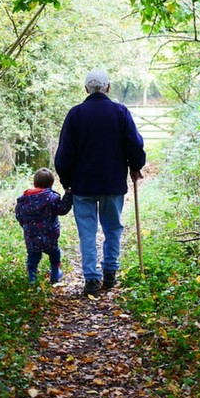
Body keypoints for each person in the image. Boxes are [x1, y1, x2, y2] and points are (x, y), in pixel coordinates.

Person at [54, 69, 146, 296]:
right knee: (113, 228)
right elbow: (134, 145)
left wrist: (67, 183)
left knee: (87, 232)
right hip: (112, 183)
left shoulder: (75, 115)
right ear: (108, 87)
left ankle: (92, 279)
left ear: (86, 89)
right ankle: (110, 273)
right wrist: (136, 165)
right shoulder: (120, 112)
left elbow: (64, 155)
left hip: (82, 186)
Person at [15, 168, 73, 284]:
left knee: (33, 257)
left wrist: (27, 227)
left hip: (31, 237)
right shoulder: (52, 198)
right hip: (50, 235)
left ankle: (32, 278)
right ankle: (55, 275)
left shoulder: (23, 200)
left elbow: (19, 216)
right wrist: (68, 195)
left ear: (34, 183)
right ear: (51, 184)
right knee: (54, 254)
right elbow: (62, 210)